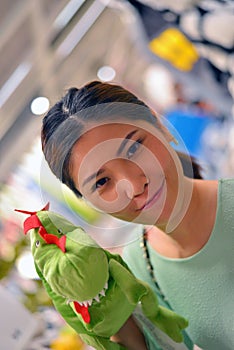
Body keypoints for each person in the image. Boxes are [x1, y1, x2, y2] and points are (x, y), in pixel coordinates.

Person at [41, 81, 233, 350]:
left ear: (160, 125)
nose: (133, 185)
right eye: (102, 182)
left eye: (133, 148)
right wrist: (122, 331)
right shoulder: (136, 269)